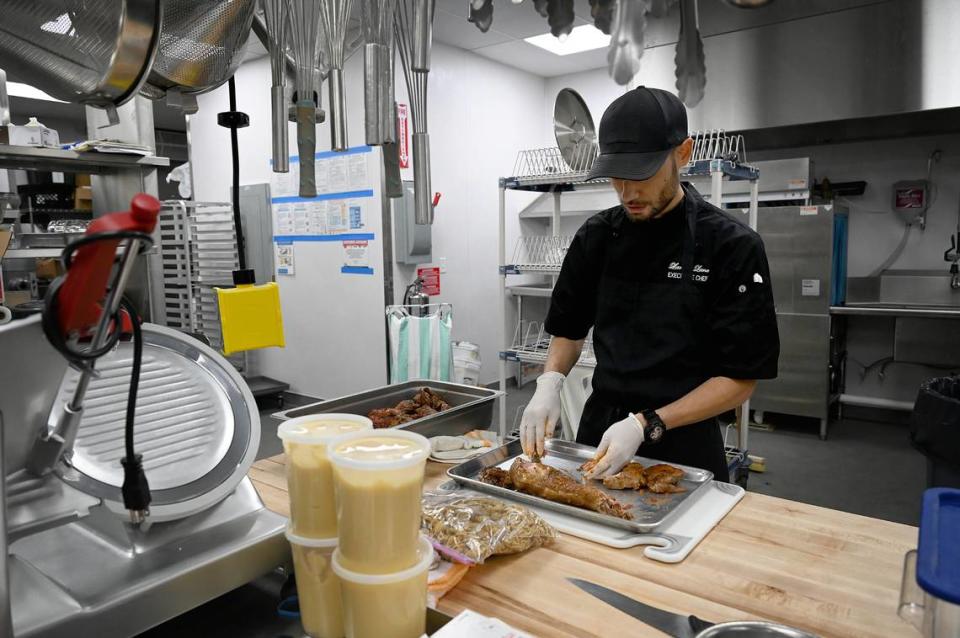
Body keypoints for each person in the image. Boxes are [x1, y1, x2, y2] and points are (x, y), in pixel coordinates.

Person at [519, 87, 780, 482]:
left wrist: (646, 424)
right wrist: (550, 382)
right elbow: (569, 331)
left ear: (683, 154)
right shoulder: (596, 237)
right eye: (616, 178)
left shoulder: (731, 246)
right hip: (602, 431)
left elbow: (740, 378)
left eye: (641, 174)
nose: (627, 192)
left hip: (686, 437)